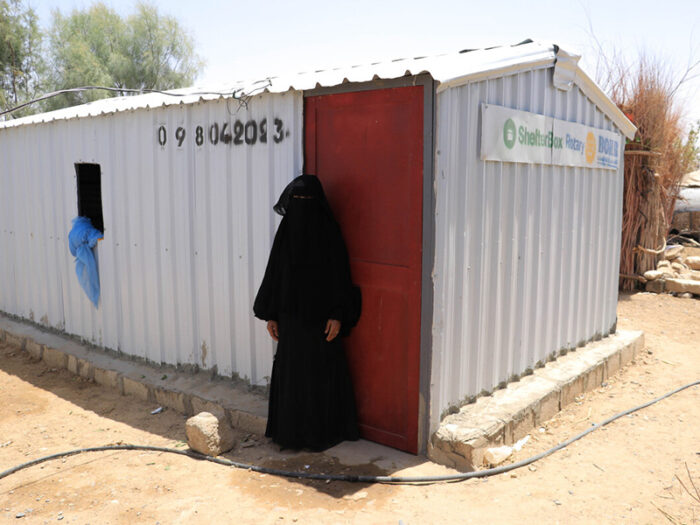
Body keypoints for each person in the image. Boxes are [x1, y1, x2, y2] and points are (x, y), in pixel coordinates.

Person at [253, 174, 361, 451]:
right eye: (297, 200)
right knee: (293, 378)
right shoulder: (286, 233)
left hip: (321, 323)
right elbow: (274, 276)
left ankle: (320, 435)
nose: (302, 206)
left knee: (320, 378)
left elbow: (340, 277)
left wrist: (338, 314)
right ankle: (290, 436)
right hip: (290, 322)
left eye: (307, 200)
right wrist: (271, 315)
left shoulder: (329, 233)